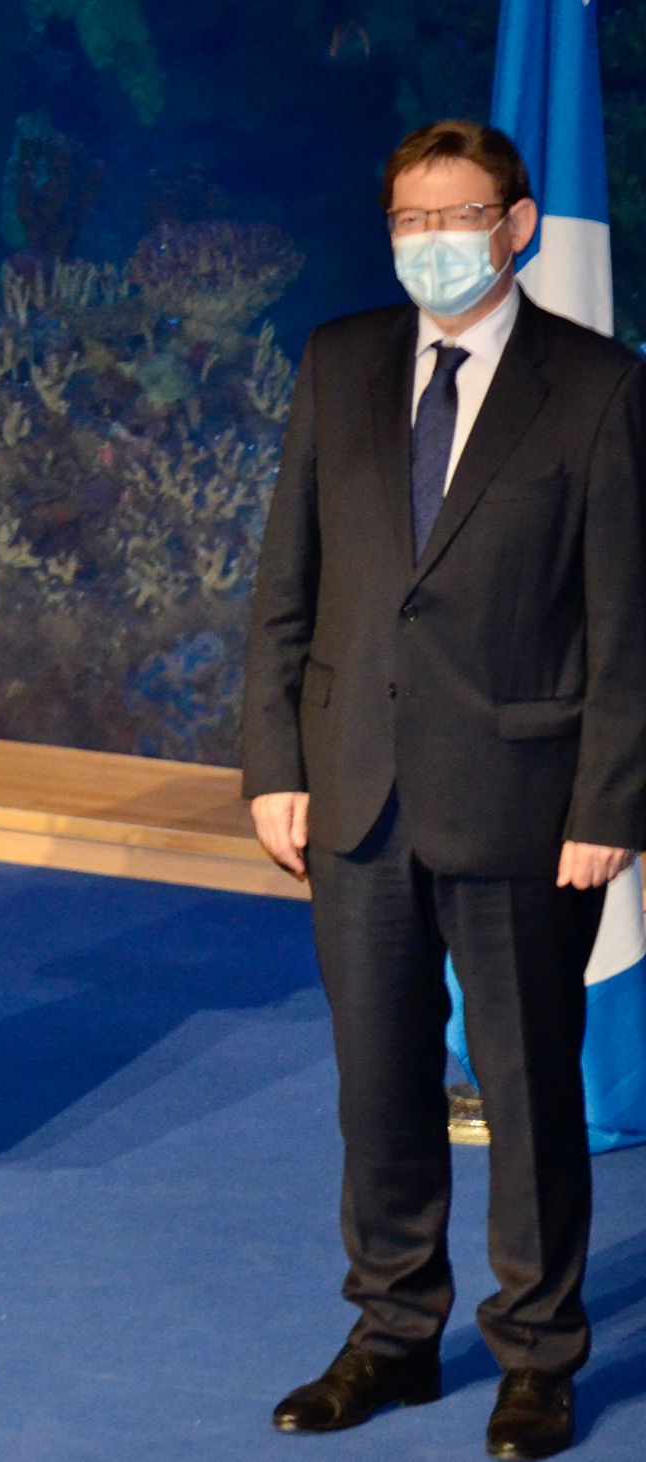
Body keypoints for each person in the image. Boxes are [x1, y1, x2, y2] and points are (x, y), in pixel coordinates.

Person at [243, 120, 646, 1459]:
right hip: (354, 790)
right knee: (379, 1082)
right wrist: (275, 764)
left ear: (518, 224)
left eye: (459, 214)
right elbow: (287, 584)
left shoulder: (597, 386)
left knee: (528, 1090)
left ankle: (538, 1351)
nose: (433, 240)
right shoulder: (341, 360)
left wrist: (610, 802)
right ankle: (393, 1334)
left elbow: (627, 621)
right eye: (410, 217)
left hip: (527, 801)